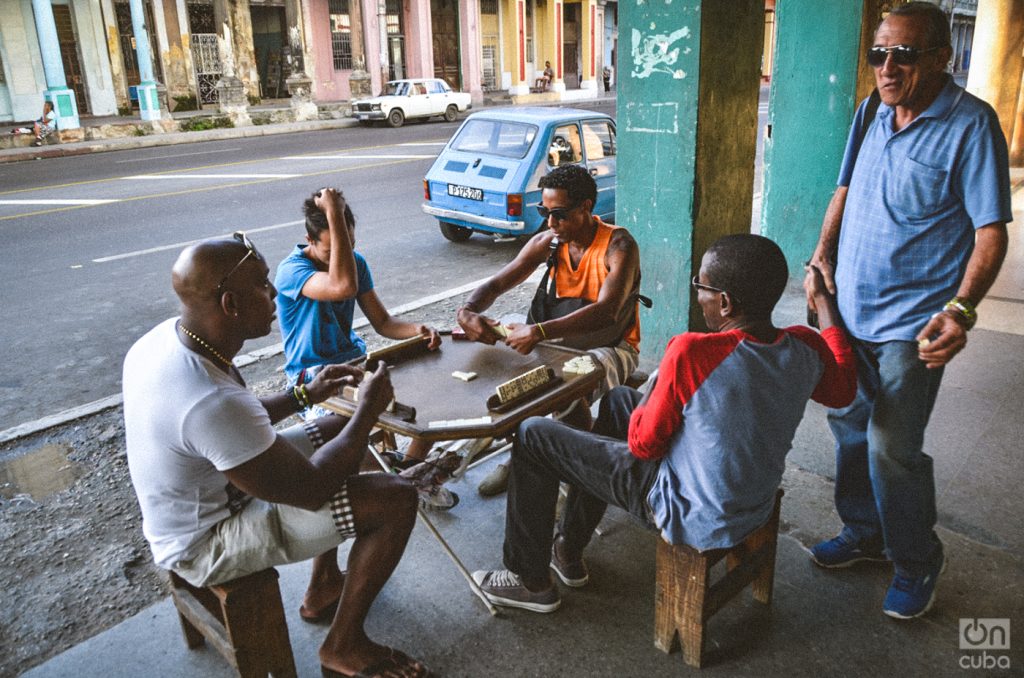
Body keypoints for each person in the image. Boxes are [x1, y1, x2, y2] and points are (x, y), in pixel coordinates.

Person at [471, 234, 857, 612]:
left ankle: (529, 581)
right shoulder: (806, 346)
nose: (698, 294)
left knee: (533, 434)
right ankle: (568, 548)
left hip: (687, 509)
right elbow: (842, 389)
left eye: (700, 286)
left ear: (724, 303)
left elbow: (643, 446)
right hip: (750, 497)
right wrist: (823, 302)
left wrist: (659, 391)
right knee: (620, 399)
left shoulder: (693, 353)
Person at [123, 234, 434, 678]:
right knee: (396, 496)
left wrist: (306, 392)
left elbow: (239, 423)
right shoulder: (208, 399)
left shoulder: (169, 340)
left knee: (336, 428)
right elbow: (310, 490)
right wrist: (367, 410)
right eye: (263, 285)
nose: (274, 294)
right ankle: (343, 647)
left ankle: (324, 584)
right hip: (206, 541)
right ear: (230, 304)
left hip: (214, 487)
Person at [805, 1, 1011, 620]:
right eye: (879, 53)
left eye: (904, 54)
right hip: (848, 307)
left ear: (943, 58)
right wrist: (820, 258)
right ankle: (867, 532)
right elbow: (844, 188)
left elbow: (990, 232)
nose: (887, 67)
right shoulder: (871, 111)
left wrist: (962, 310)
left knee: (891, 445)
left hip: (911, 325)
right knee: (847, 427)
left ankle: (918, 558)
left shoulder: (972, 125)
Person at [457, 163, 643, 492]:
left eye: (559, 214)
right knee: (509, 383)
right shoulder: (549, 242)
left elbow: (608, 311)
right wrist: (468, 311)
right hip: (558, 343)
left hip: (612, 346)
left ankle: (574, 485)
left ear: (586, 207)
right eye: (545, 211)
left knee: (564, 386)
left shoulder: (618, 246)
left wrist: (539, 332)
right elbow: (498, 283)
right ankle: (522, 456)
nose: (550, 222)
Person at [274, 188, 454, 507]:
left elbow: (383, 323)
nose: (343, 256)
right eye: (332, 250)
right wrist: (332, 210)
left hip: (356, 362)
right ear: (309, 240)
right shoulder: (292, 270)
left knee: (427, 403)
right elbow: (341, 285)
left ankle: (408, 475)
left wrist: (417, 330)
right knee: (349, 435)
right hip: (313, 376)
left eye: (350, 244)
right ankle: (405, 475)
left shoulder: (354, 262)